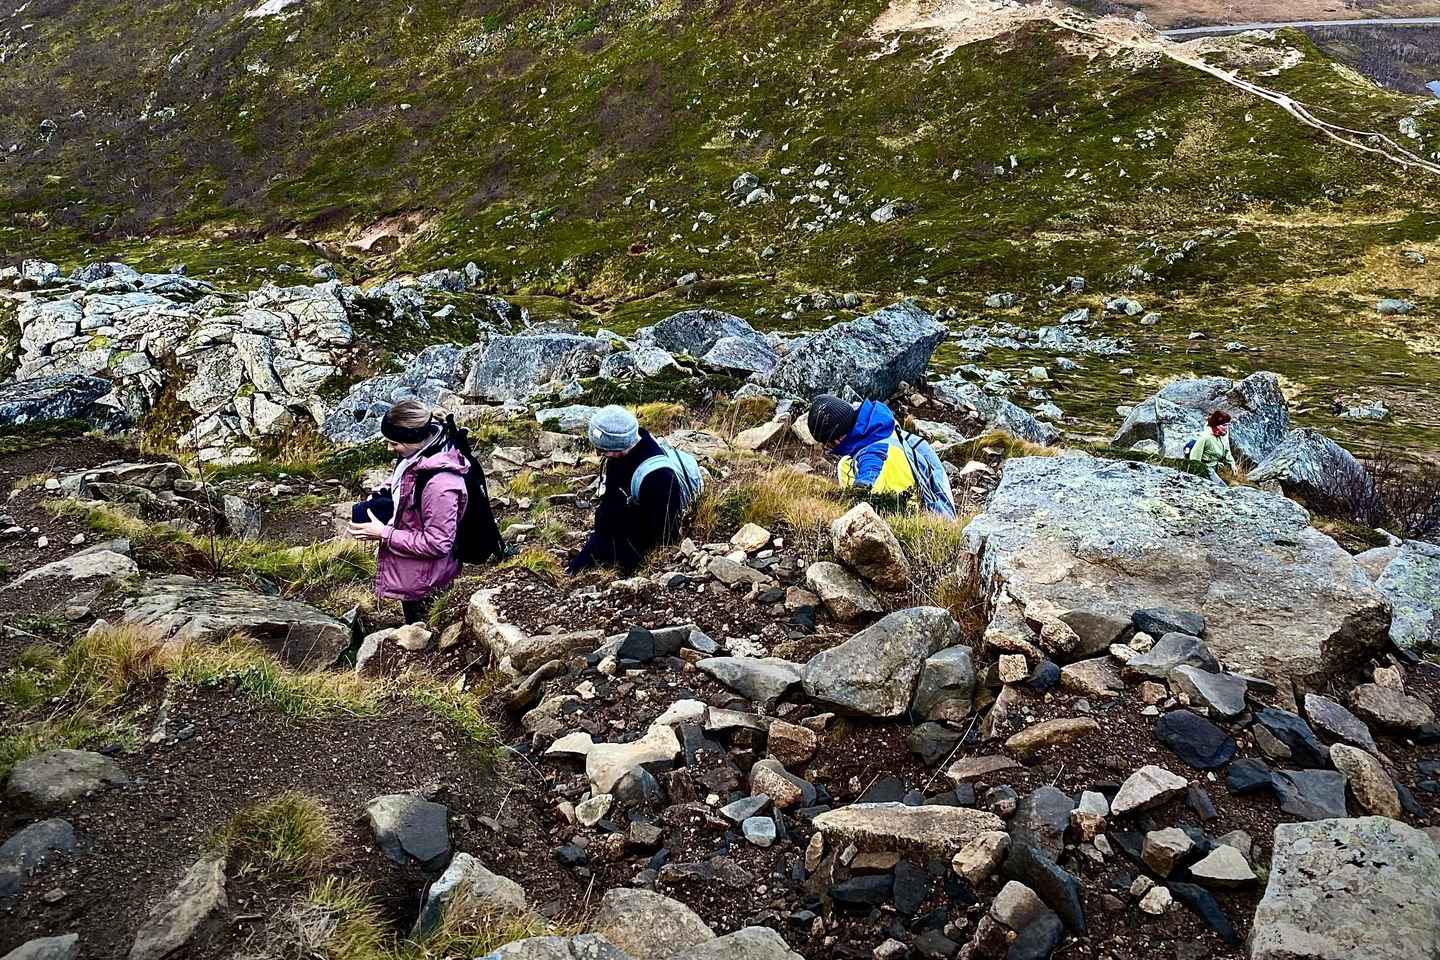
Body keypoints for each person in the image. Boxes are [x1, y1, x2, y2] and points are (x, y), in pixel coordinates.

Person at [347, 399, 469, 624]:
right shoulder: (423, 450)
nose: (389, 448)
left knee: (425, 630)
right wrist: (386, 488)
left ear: (413, 439)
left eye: (394, 443)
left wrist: (383, 533)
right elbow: (407, 474)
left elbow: (438, 543)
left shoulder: (440, 485)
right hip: (415, 571)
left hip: (428, 581)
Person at [567, 405, 688, 575]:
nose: (598, 454)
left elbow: (664, 533)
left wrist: (615, 550)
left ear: (619, 445)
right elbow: (611, 503)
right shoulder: (620, 456)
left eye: (602, 450)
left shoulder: (660, 478)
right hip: (630, 522)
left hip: (644, 535)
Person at [807, 394, 958, 518]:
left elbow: (867, 481)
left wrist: (844, 503)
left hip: (913, 522)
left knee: (844, 465)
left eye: (828, 444)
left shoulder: (873, 452)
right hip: (941, 512)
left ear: (837, 439)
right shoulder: (886, 430)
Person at [1188, 410, 1237, 481]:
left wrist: (1232, 464)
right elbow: (1194, 459)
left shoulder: (1222, 435)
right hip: (1205, 472)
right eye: (1224, 425)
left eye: (1227, 425)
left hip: (1215, 470)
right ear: (1215, 425)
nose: (1226, 428)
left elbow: (1227, 451)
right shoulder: (1205, 438)